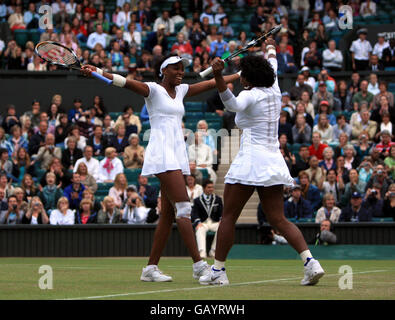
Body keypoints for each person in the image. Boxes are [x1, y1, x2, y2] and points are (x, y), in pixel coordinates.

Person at [82, 53, 240, 282]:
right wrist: (97, 71)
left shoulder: (183, 90)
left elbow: (208, 83)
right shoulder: (153, 90)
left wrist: (242, 74)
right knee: (184, 209)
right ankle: (199, 266)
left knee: (167, 216)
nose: (180, 72)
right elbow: (123, 82)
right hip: (162, 154)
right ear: (164, 70)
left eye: (182, 68)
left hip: (176, 153)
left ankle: (150, 269)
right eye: (176, 68)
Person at [200, 44, 325, 286]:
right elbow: (273, 61)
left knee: (228, 216)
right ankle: (311, 262)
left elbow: (230, 105)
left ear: (249, 78)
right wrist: (269, 46)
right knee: (279, 219)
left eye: (243, 76)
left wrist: (217, 75)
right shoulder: (275, 86)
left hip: (251, 161)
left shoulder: (250, 94)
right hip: (272, 162)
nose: (241, 79)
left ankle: (218, 271)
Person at [191, 180, 223, 259]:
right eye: (209, 187)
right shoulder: (197, 200)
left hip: (214, 222)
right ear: (204, 188)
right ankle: (202, 252)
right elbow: (194, 213)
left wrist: (221, 221)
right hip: (203, 223)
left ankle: (213, 251)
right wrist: (198, 222)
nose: (211, 189)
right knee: (200, 229)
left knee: (222, 228)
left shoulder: (218, 199)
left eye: (212, 187)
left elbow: (222, 212)